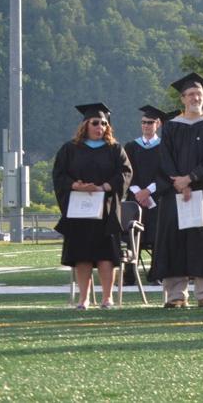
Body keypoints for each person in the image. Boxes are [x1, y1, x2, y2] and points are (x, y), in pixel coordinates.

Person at [149, 73, 203, 308]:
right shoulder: (172, 127)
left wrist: (191, 179)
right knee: (175, 240)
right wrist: (177, 182)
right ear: (182, 99)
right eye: (191, 94)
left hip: (202, 193)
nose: (196, 98)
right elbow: (164, 159)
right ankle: (175, 296)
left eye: (199, 94)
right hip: (175, 194)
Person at [53, 103, 133, 310]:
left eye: (104, 123)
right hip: (79, 209)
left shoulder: (115, 149)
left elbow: (125, 173)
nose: (100, 127)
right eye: (95, 123)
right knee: (82, 255)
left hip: (105, 208)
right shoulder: (70, 149)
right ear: (85, 124)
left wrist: (105, 186)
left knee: (106, 255)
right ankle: (84, 299)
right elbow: (59, 175)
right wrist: (76, 185)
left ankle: (107, 298)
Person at [125, 105, 167, 253]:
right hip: (135, 198)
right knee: (133, 234)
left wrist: (148, 191)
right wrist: (138, 192)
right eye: (143, 122)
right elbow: (127, 172)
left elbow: (166, 173)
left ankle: (156, 273)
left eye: (150, 122)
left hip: (157, 197)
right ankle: (130, 273)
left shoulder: (165, 147)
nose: (146, 125)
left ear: (158, 123)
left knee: (157, 236)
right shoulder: (131, 146)